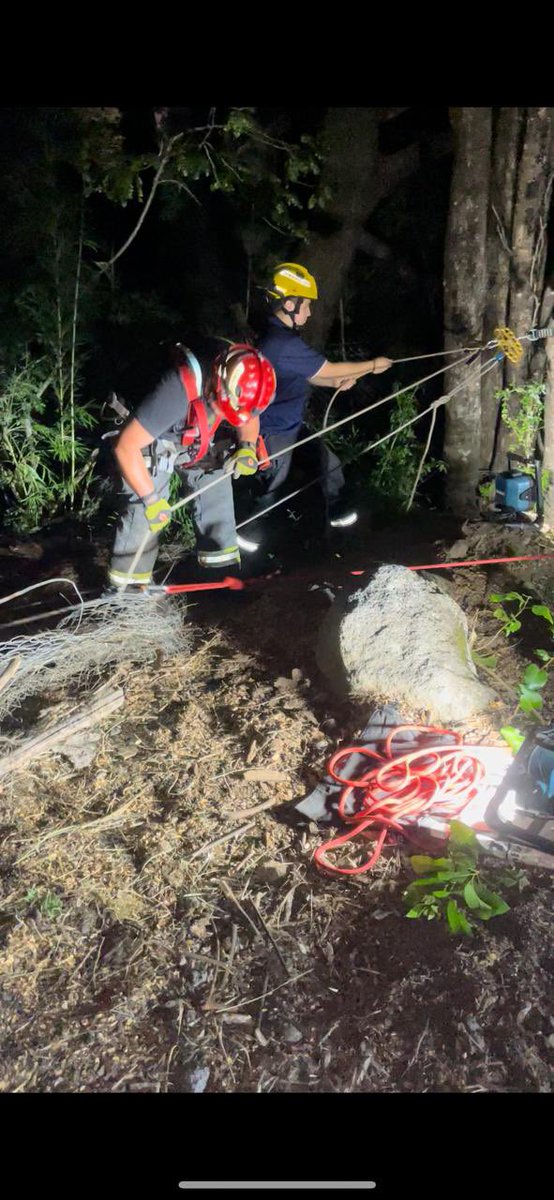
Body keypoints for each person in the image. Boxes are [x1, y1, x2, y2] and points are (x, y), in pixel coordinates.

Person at [237, 263, 392, 554]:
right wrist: (372, 365)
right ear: (289, 303)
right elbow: (330, 367)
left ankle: (341, 527)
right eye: (306, 305)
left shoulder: (279, 338)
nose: (309, 312)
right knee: (270, 490)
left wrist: (333, 384)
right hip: (272, 432)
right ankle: (244, 545)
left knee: (328, 465)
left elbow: (308, 373)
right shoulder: (280, 343)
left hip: (289, 426)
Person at [106, 342, 276, 590]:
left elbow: (249, 416)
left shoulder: (244, 378)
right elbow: (126, 447)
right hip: (149, 433)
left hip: (194, 430)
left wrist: (247, 447)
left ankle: (220, 573)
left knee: (216, 478)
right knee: (145, 509)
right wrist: (152, 500)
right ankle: (128, 589)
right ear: (218, 387)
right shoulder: (176, 389)